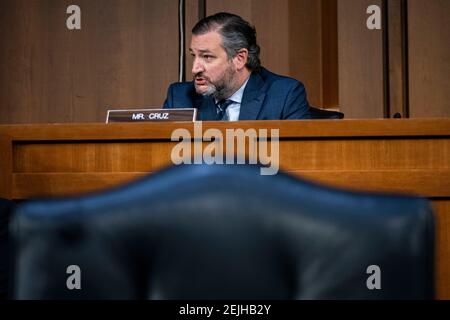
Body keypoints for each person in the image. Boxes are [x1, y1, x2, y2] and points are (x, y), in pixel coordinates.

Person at [163, 12, 311, 121]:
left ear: (239, 58)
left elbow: (298, 157)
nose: (195, 69)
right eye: (193, 56)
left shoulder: (284, 95)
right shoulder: (180, 97)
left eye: (207, 57)